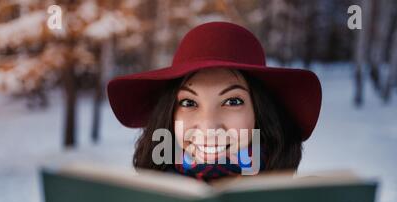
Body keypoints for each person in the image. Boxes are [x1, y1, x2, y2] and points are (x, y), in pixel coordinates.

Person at [107, 21, 322, 182]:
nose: (209, 125)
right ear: (169, 115)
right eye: (189, 103)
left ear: (260, 112)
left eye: (233, 101)